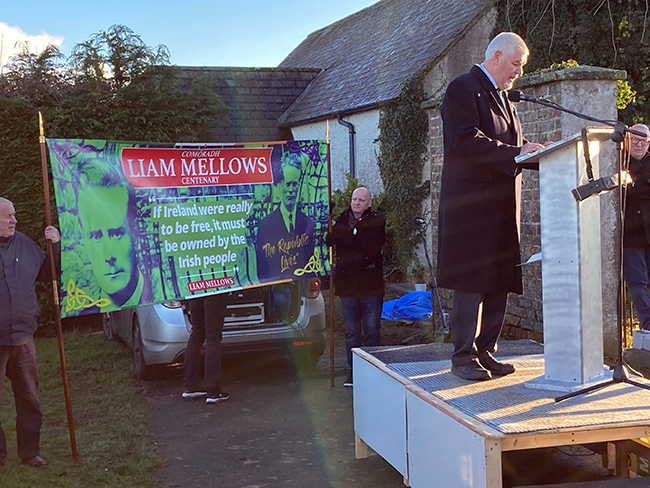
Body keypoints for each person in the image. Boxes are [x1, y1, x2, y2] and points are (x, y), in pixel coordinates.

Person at [436, 32, 545, 381]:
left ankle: (486, 351)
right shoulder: (462, 89)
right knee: (472, 282)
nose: (518, 72)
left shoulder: (505, 99)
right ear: (496, 56)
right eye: (516, 64)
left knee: (499, 280)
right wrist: (516, 152)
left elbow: (512, 145)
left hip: (502, 207)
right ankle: (462, 356)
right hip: (472, 209)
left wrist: (536, 150)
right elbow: (468, 140)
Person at [0, 197, 61, 469]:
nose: (14, 220)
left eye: (14, 214)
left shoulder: (24, 245)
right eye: (7, 216)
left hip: (23, 337)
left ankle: (30, 452)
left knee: (29, 398)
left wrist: (54, 246)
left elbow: (50, 272)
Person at [326, 187, 385, 387]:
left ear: (369, 203)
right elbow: (328, 239)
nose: (357, 203)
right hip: (348, 287)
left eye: (361, 200)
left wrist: (343, 240)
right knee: (352, 333)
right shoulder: (341, 221)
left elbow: (369, 246)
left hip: (371, 287)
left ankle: (372, 369)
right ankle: (354, 371)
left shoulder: (377, 221)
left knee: (371, 331)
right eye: (354, 199)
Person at [75, 158, 152, 309]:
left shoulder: (161, 298)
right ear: (83, 238)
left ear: (135, 232)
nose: (109, 256)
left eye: (116, 233)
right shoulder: (85, 306)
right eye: (95, 236)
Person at [255, 156, 315, 282]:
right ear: (281, 185)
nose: (291, 190)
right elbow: (261, 268)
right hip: (275, 291)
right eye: (288, 184)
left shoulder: (307, 223)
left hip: (300, 287)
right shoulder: (265, 225)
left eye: (295, 184)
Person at [623, 124, 650, 330]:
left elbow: (632, 188)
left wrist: (635, 182)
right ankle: (648, 324)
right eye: (635, 140)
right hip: (630, 234)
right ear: (626, 141)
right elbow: (623, 191)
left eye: (644, 140)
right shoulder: (617, 162)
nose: (640, 144)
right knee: (637, 283)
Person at [181, 294, 229, 404]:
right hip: (214, 287)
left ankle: (190, 386)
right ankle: (213, 391)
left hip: (194, 288)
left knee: (197, 333)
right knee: (213, 336)